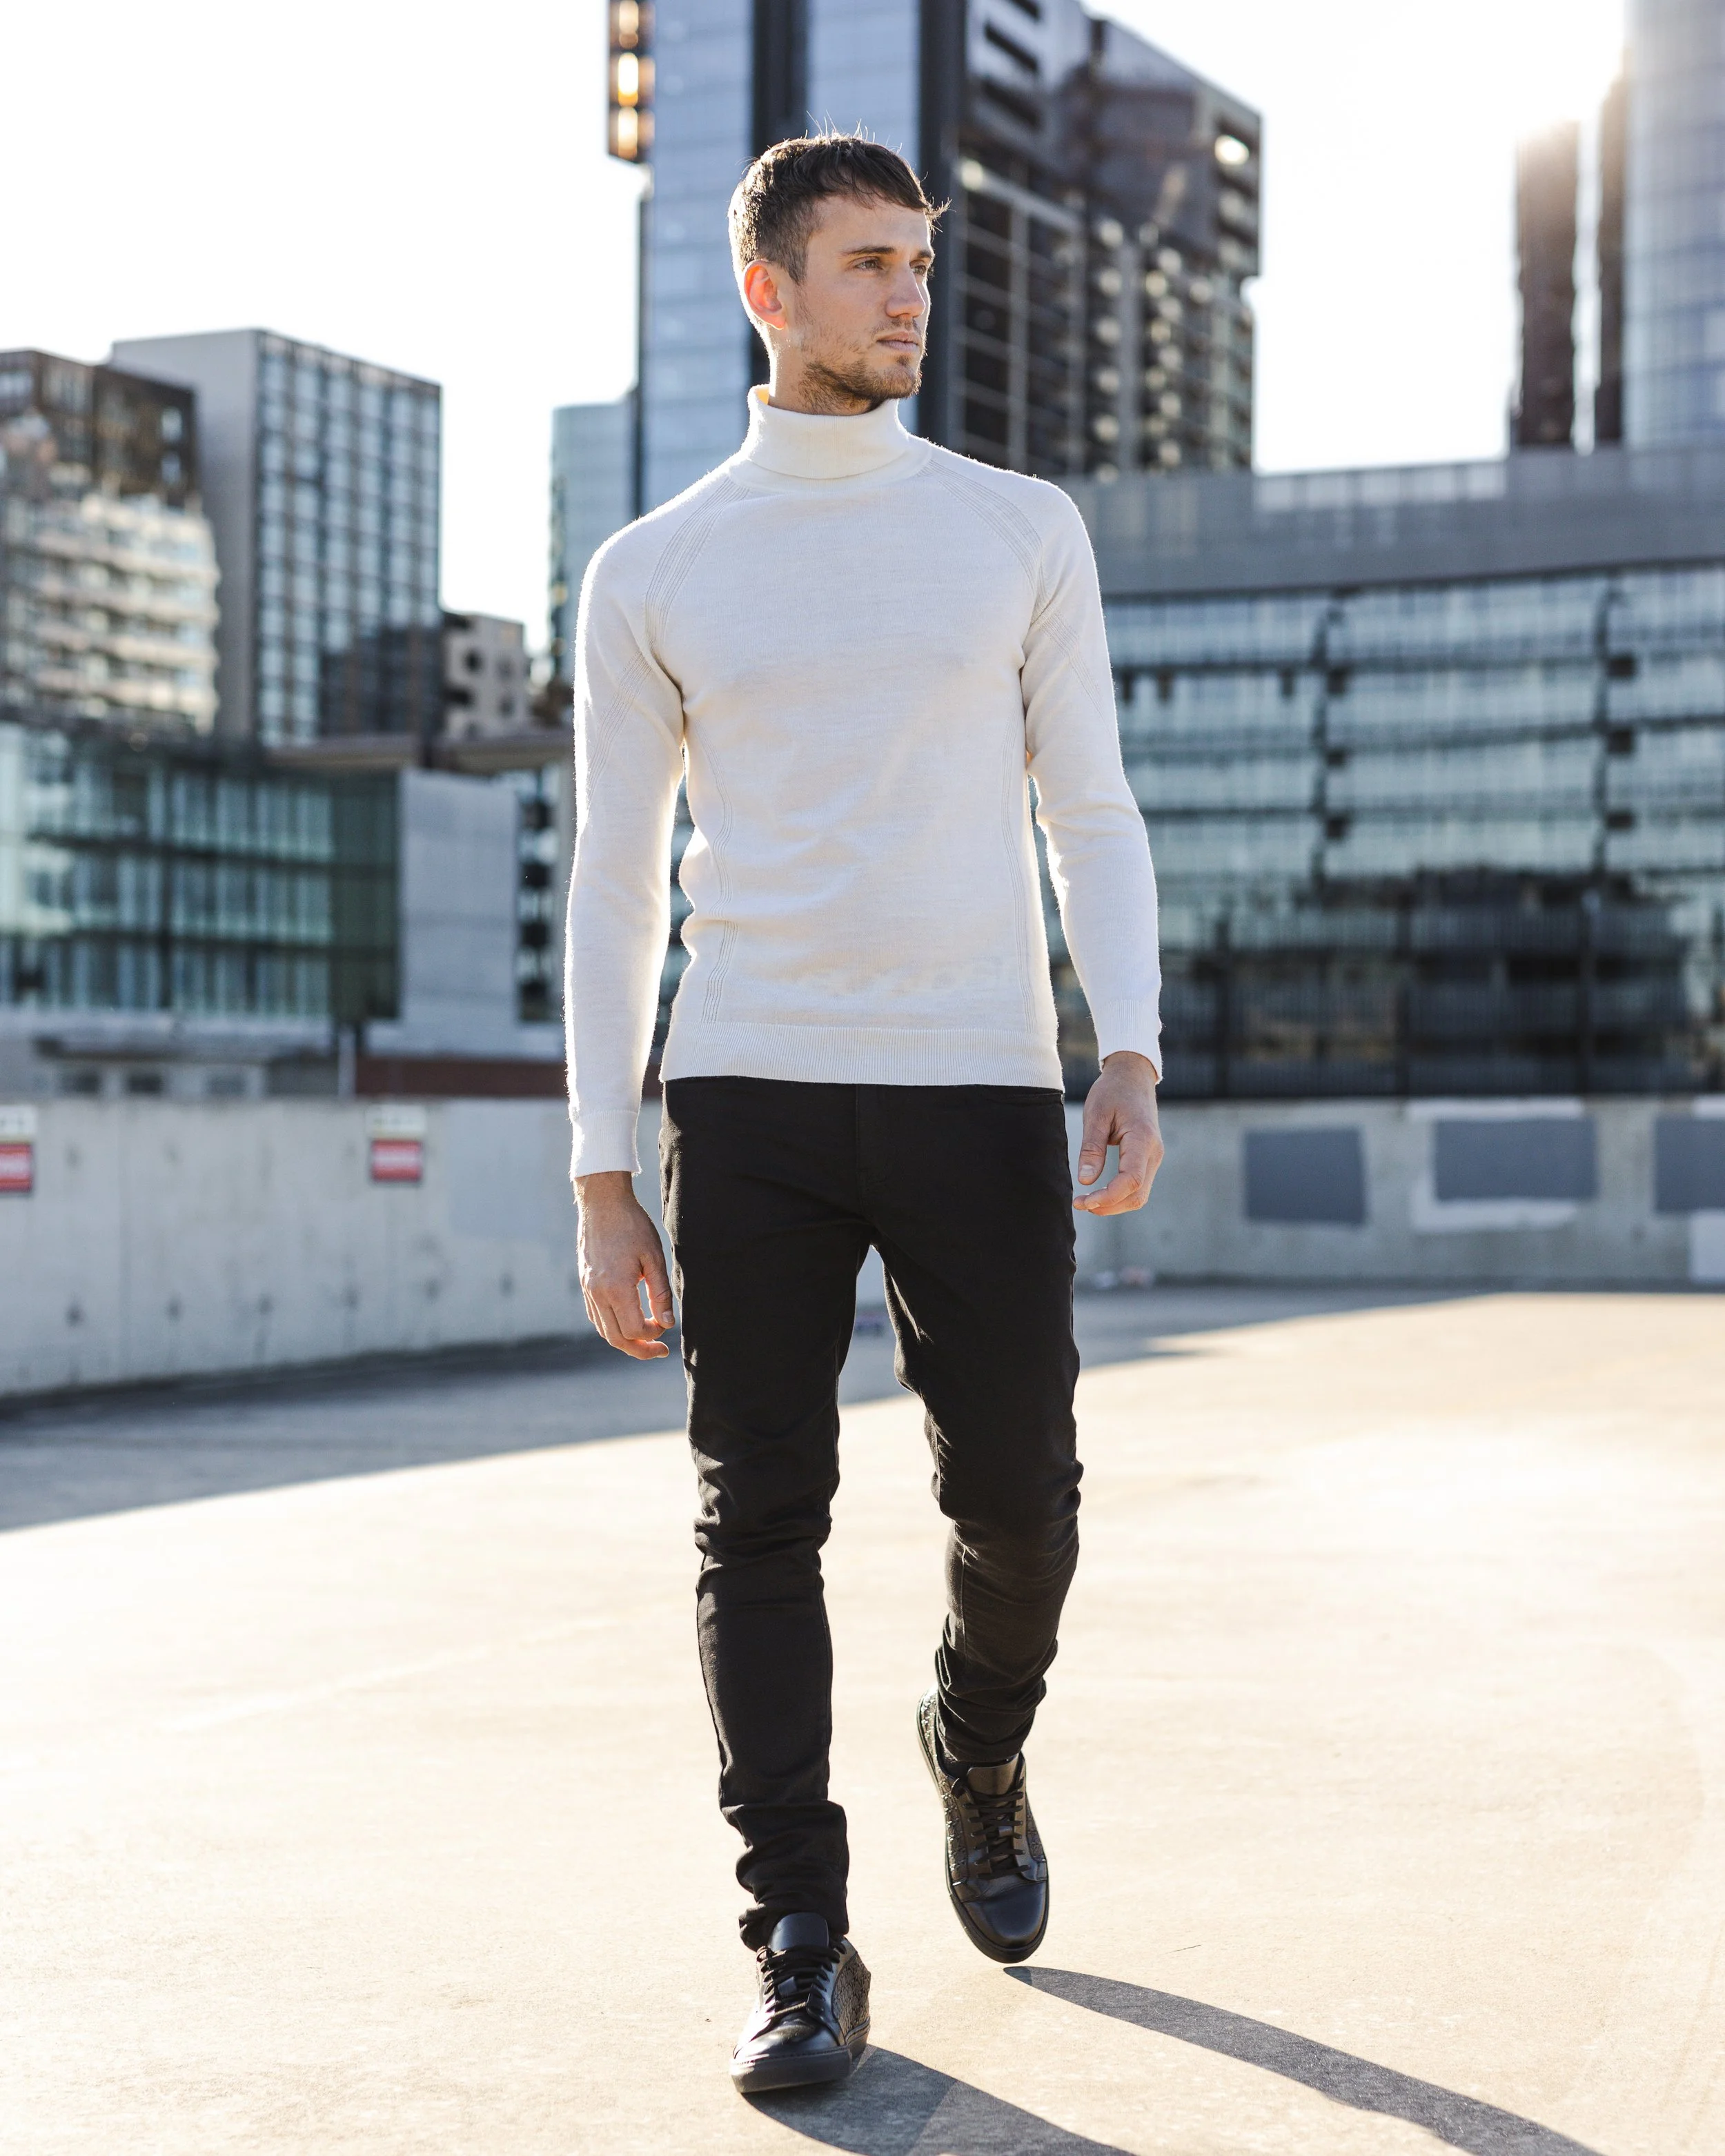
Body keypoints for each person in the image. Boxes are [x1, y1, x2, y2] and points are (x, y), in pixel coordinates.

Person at [566, 134, 1163, 2095]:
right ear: (770, 290)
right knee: (760, 1519)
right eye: (866, 262)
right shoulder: (653, 570)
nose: (908, 293)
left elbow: (1085, 803)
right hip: (743, 1094)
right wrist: (600, 1166)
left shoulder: (1015, 529)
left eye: (918, 259)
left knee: (1021, 1501)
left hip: (977, 1081)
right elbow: (610, 877)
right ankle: (802, 1936)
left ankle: (977, 1743)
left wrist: (1128, 1044)